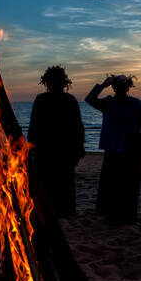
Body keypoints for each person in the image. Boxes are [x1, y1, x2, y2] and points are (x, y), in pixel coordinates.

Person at [85, 74, 141, 224]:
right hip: (113, 147)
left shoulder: (135, 103)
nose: (120, 88)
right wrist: (102, 85)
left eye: (123, 85)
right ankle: (112, 214)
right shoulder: (108, 102)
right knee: (112, 182)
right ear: (114, 87)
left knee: (129, 182)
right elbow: (89, 99)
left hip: (131, 148)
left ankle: (128, 214)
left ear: (127, 87)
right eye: (117, 85)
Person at [28, 65, 85, 216]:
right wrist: (79, 148)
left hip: (48, 149)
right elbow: (78, 126)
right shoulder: (68, 99)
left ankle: (52, 210)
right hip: (61, 149)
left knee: (50, 181)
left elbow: (33, 126)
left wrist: (31, 146)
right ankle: (63, 211)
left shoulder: (42, 99)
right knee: (63, 182)